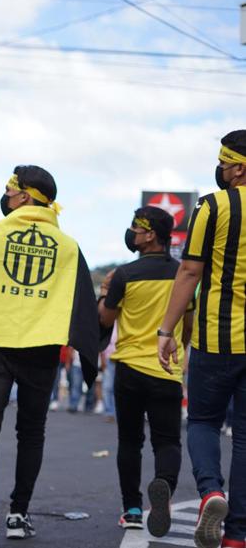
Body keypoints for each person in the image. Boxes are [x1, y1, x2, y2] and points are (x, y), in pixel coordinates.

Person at [0, 165, 99, 547]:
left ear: (26, 196)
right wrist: (89, 358)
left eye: (10, 190)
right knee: (31, 431)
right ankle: (18, 514)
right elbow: (82, 301)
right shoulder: (67, 246)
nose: (6, 196)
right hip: (41, 347)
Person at [158, 130, 246, 548]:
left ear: (238, 167)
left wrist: (167, 329)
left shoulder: (213, 206)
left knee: (204, 421)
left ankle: (211, 490)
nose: (221, 169)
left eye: (224, 161)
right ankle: (237, 536)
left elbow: (189, 271)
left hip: (218, 336)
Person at [98, 206, 190, 536]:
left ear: (150, 234)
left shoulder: (124, 274)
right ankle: (163, 485)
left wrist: (105, 292)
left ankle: (133, 509)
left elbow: (105, 320)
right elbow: (189, 324)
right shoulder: (183, 273)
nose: (131, 234)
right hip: (166, 369)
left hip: (129, 369)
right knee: (167, 442)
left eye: (136, 229)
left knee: (130, 441)